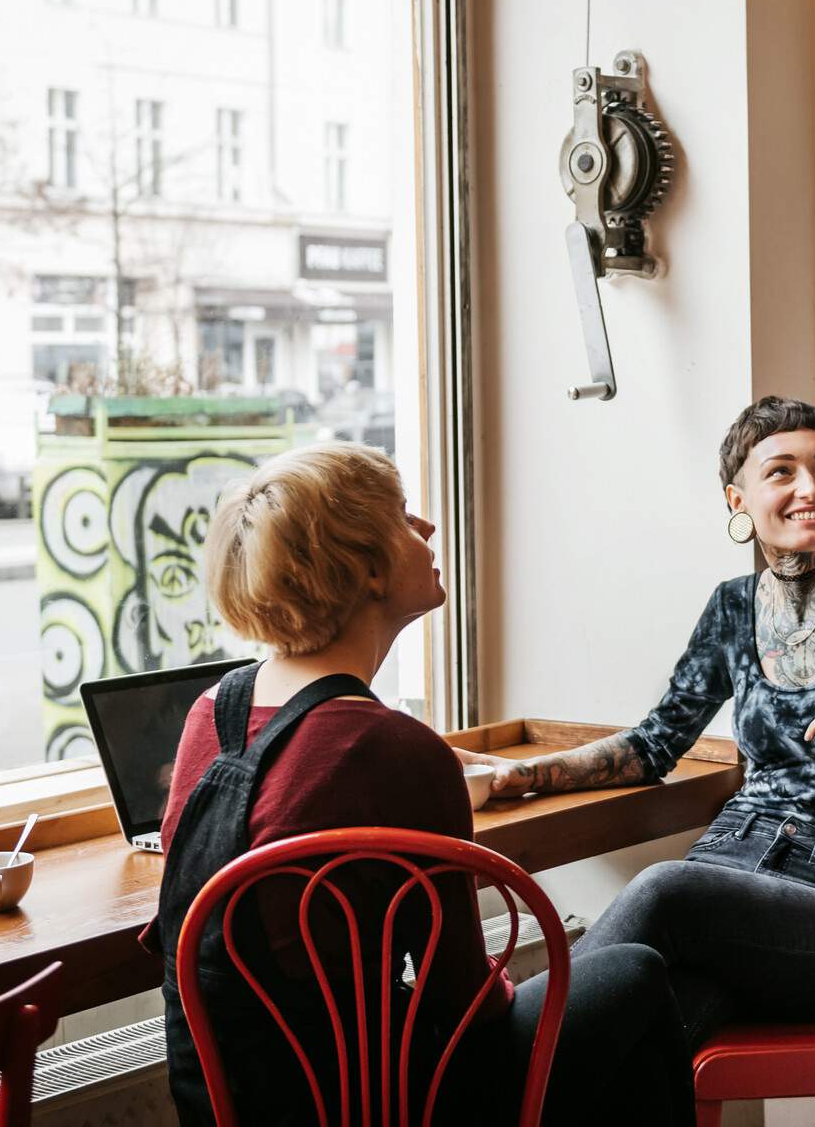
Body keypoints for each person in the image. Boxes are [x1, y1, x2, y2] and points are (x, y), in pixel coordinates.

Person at [462, 397, 815, 1051]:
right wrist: (519, 775)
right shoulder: (732, 607)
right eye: (782, 472)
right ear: (738, 500)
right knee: (646, 1021)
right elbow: (653, 746)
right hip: (730, 871)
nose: (810, 488)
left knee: (662, 893)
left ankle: (493, 1058)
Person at [148, 442, 692, 1127]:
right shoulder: (393, 749)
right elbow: (460, 1002)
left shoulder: (211, 714)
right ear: (369, 570)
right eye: (406, 518)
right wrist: (513, 987)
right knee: (636, 973)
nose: (429, 530)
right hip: (384, 1105)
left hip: (232, 1104)